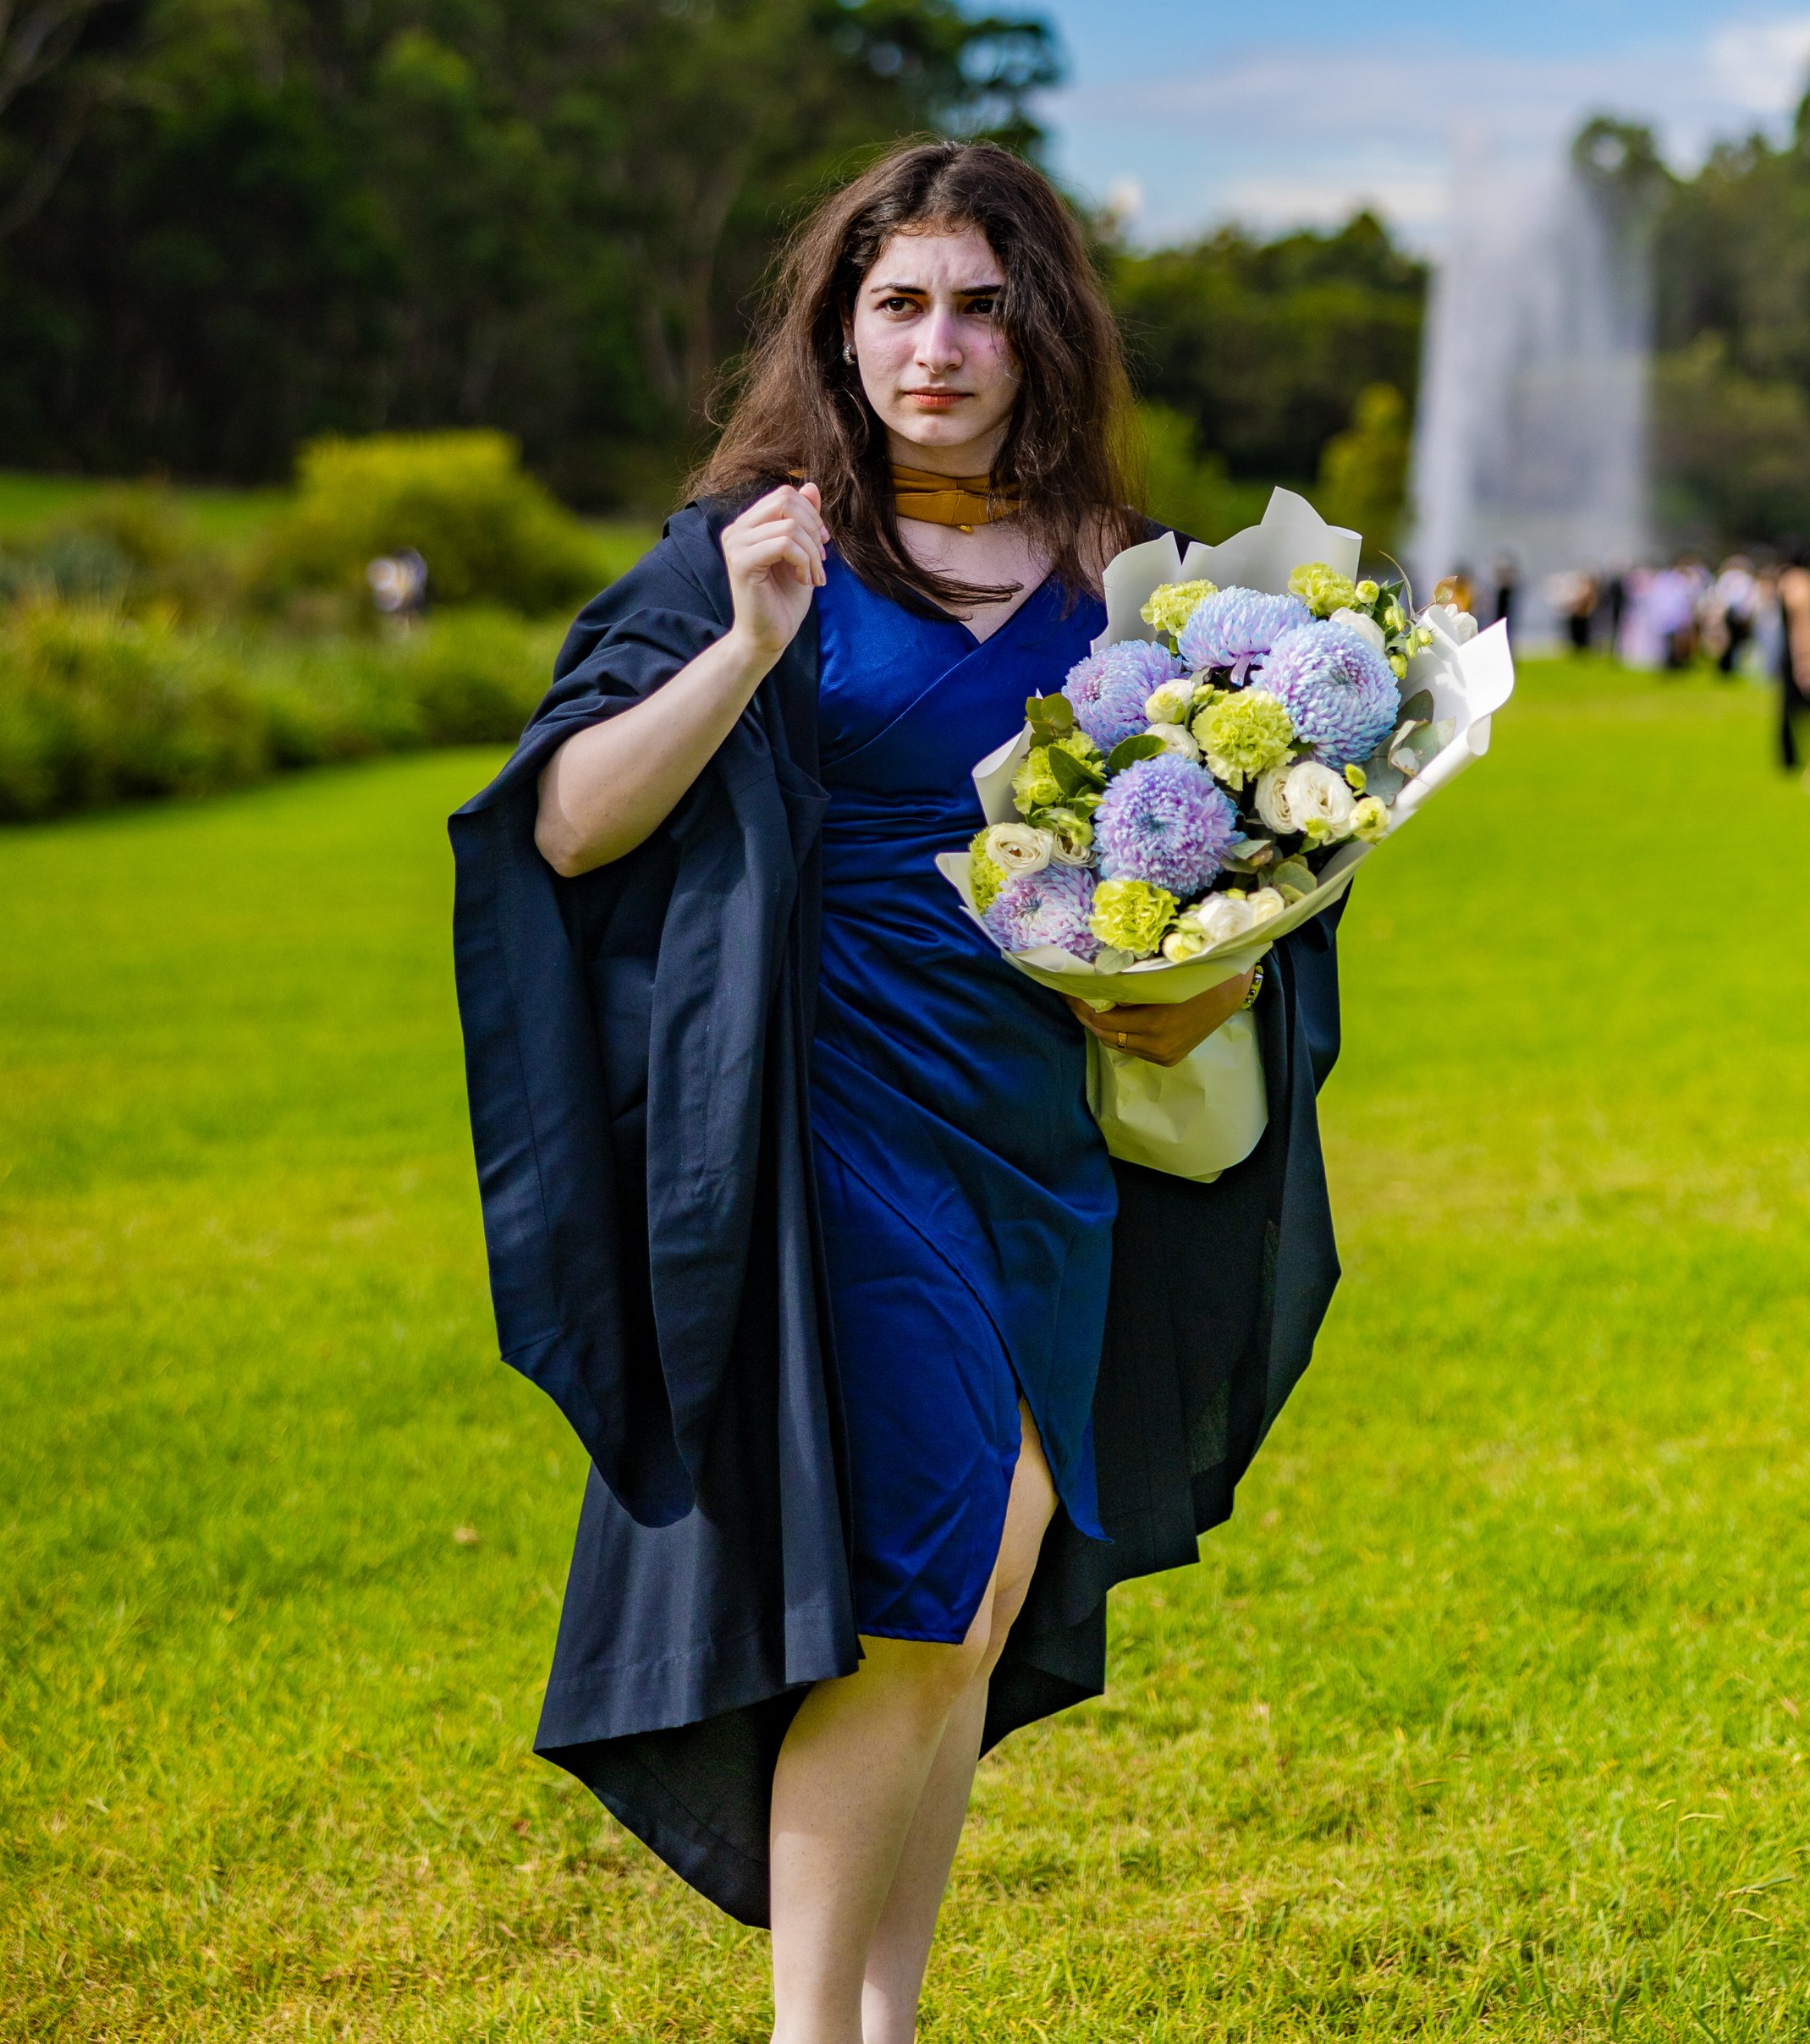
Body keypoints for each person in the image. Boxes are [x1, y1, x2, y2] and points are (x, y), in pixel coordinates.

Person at [448, 139, 1348, 2044]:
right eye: (897, 304)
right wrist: (750, 647)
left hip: (1033, 1120)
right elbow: (567, 823)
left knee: (993, 1578)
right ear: (837, 329)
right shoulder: (756, 543)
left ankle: (881, 2019)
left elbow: (1194, 872)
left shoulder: (1116, 576)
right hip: (830, 1104)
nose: (936, 345)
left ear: (1039, 336)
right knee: (939, 1572)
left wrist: (1197, 985)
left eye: (978, 306)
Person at [1774, 539, 1810, 780]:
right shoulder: (1803, 583)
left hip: (1785, 651)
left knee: (1787, 709)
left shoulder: (1784, 580)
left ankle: (1788, 758)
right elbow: (1803, 625)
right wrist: (1806, 661)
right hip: (1799, 654)